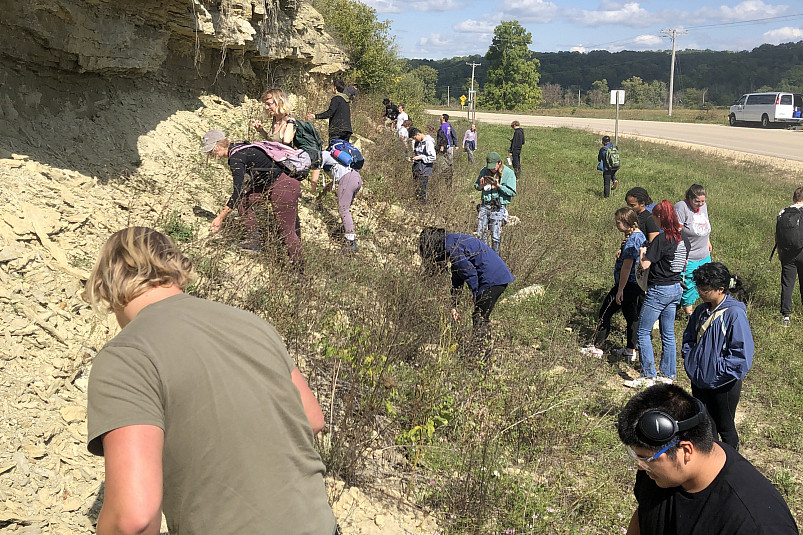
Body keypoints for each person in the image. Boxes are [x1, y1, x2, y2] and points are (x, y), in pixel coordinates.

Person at [84, 227, 337, 535]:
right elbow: (312, 418)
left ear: (107, 282)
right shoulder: (251, 323)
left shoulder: (127, 354)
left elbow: (133, 519)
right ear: (175, 268)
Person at [617, 383, 799, 535]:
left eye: (644, 459)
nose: (640, 467)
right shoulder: (656, 473)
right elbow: (644, 515)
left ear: (686, 451)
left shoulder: (755, 524)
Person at [681, 262, 754, 451]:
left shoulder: (735, 314)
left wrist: (716, 372)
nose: (700, 293)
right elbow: (688, 339)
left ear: (720, 289)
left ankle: (732, 465)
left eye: (704, 289)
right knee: (706, 427)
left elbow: (741, 356)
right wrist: (692, 363)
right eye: (698, 288)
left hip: (724, 385)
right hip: (699, 381)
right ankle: (712, 465)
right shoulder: (700, 311)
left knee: (726, 427)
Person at [202, 129, 303, 264]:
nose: (210, 154)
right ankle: (253, 242)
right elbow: (256, 177)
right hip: (274, 184)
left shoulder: (236, 158)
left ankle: (299, 273)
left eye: (211, 150)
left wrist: (220, 217)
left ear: (220, 145)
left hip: (284, 186)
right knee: (243, 201)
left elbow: (237, 191)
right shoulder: (240, 149)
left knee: (287, 232)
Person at [419, 227, 514, 357]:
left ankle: (481, 355)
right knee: (479, 316)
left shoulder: (453, 247)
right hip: (496, 277)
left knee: (479, 317)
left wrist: (476, 293)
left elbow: (469, 273)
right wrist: (454, 306)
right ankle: (480, 352)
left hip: (494, 279)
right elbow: (457, 278)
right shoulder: (451, 242)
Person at [626, 200, 690, 388]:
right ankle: (668, 374)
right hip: (675, 289)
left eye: (654, 217)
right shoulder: (683, 238)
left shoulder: (661, 240)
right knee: (668, 333)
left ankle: (648, 376)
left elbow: (645, 264)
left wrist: (641, 253)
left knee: (644, 332)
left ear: (660, 217)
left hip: (659, 289)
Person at [581, 207, 645, 360]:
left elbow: (627, 266)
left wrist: (620, 289)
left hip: (627, 284)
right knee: (631, 316)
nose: (616, 225)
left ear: (627, 222)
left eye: (618, 222)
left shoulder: (633, 240)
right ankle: (630, 349)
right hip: (636, 285)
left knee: (605, 311)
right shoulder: (639, 236)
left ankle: (597, 346)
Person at [307, 79, 353, 197]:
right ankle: (342, 179)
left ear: (334, 88)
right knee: (341, 156)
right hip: (347, 130)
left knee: (332, 154)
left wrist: (315, 116)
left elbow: (330, 113)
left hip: (336, 130)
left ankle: (327, 180)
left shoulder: (336, 99)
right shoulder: (346, 101)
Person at [675, 184, 712, 316]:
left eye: (703, 201)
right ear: (689, 198)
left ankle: (702, 308)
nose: (700, 204)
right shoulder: (681, 207)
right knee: (688, 284)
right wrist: (679, 253)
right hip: (689, 256)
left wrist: (707, 240)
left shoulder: (703, 207)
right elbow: (675, 232)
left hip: (704, 254)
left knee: (705, 281)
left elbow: (704, 225)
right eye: (697, 201)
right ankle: (688, 314)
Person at [474, 152, 516, 253]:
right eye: (490, 167)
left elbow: (512, 192)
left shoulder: (508, 173)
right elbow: (476, 186)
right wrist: (480, 185)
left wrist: (499, 186)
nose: (492, 169)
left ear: (499, 163)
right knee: (481, 233)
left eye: (494, 167)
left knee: (495, 235)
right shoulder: (484, 170)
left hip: (498, 207)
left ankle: (494, 256)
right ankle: (484, 254)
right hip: (485, 205)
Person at [320, 150, 362, 252]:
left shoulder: (323, 155)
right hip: (356, 178)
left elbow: (316, 172)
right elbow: (333, 181)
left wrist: (312, 189)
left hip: (348, 179)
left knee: (343, 209)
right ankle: (348, 235)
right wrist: (321, 195)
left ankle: (351, 242)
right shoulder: (333, 158)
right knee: (345, 209)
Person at [776, 186, 803, 327]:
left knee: (787, 284)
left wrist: (780, 252)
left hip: (787, 253)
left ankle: (786, 316)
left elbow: (777, 235)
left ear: (794, 198)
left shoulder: (783, 212)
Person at [408, 127, 436, 203]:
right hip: (417, 168)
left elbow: (433, 157)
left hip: (424, 170)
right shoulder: (417, 143)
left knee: (422, 189)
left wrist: (420, 157)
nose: (415, 140)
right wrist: (413, 158)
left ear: (418, 134)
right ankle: (416, 204)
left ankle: (422, 206)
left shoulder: (428, 143)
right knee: (416, 188)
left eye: (415, 138)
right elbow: (417, 154)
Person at [436, 114, 457, 187]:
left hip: (444, 145)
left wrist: (442, 145)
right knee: (449, 160)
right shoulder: (448, 125)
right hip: (448, 144)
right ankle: (450, 171)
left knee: (444, 160)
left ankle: (444, 173)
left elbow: (443, 136)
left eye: (441, 117)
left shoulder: (443, 126)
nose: (440, 118)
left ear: (443, 118)